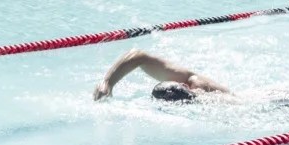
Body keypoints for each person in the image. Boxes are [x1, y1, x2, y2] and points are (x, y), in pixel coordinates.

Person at [93, 48, 230, 102]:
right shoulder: (185, 87)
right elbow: (139, 57)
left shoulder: (196, 83)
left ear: (184, 85)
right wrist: (108, 82)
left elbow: (139, 55)